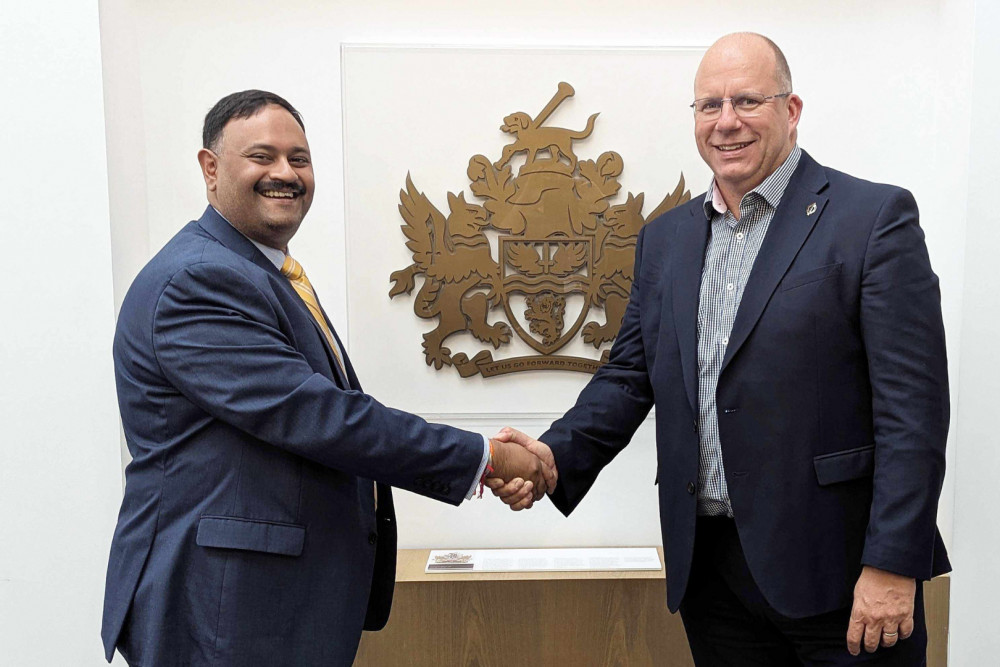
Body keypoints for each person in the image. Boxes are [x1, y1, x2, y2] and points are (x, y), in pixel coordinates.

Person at [490, 33, 949, 665]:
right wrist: (549, 457)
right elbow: (627, 377)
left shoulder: (872, 218)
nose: (726, 121)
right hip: (712, 574)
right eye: (709, 105)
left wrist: (894, 563)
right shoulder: (666, 239)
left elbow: (913, 413)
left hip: (842, 574)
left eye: (747, 100)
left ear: (791, 111)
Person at [101, 89, 554, 666]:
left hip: (262, 601)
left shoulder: (261, 271)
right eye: (262, 156)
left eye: (300, 159)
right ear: (210, 168)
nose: (285, 174)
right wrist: (484, 459)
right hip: (223, 606)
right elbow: (321, 417)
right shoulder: (199, 281)